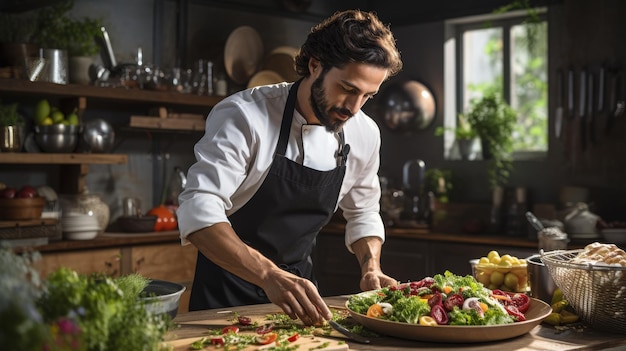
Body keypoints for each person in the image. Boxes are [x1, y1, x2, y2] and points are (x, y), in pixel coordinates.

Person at [177, 9, 403, 326]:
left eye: (368, 95)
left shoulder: (364, 133)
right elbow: (198, 211)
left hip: (298, 299)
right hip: (223, 300)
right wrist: (268, 274)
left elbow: (363, 211)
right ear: (315, 65)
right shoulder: (244, 116)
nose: (354, 108)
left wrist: (371, 268)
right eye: (348, 89)